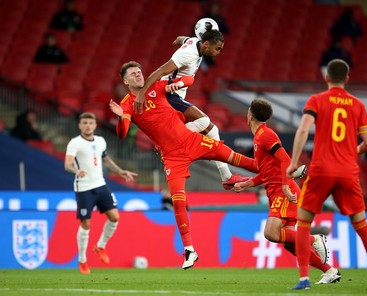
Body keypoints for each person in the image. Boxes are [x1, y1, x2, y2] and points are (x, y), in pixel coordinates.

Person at [109, 61, 261, 269]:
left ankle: (280, 169)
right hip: (172, 157)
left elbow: (190, 79)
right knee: (179, 201)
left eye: (139, 71)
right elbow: (122, 133)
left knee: (235, 158)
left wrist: (175, 85)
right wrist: (119, 119)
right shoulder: (127, 104)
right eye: (133, 74)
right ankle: (189, 250)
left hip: (192, 140)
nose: (138, 75)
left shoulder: (155, 85)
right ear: (125, 81)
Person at [287, 59, 367, 290]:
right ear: (347, 79)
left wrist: (294, 162)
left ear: (326, 78)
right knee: (361, 224)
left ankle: (304, 279)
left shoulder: (317, 100)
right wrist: (351, 152)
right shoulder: (357, 105)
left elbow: (304, 130)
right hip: (348, 172)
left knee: (304, 223)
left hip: (321, 170)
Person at [233, 98, 339, 285]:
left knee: (271, 233)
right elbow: (267, 171)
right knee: (290, 243)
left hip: (284, 192)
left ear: (249, 115)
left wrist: (284, 185)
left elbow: (285, 160)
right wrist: (247, 184)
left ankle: (314, 238)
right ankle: (329, 270)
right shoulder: (259, 137)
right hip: (278, 191)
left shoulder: (265, 135)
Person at [133, 27, 249, 190]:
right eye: (217, 48)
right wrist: (141, 94)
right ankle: (166, 142)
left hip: (176, 96)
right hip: (166, 95)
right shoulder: (187, 55)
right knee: (204, 120)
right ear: (206, 44)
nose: (218, 53)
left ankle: (227, 177)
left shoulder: (195, 42)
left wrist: (179, 40)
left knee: (213, 130)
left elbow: (184, 39)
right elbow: (159, 71)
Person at [64, 112, 138, 274]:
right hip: (84, 187)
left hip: (100, 185)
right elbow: (68, 164)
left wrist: (120, 171)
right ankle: (82, 260)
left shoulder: (100, 141)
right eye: (84, 123)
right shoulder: (74, 143)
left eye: (90, 123)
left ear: (95, 125)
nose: (87, 125)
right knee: (86, 223)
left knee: (115, 217)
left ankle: (100, 246)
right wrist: (76, 170)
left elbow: (105, 159)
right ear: (79, 125)